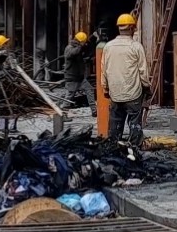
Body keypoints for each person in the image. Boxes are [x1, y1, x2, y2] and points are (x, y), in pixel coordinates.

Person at [101, 13, 150, 146]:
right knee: (134, 123)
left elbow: (104, 70)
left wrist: (105, 88)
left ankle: (113, 146)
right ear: (132, 28)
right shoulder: (136, 47)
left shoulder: (108, 47)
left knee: (115, 123)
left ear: (119, 28)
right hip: (133, 94)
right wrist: (146, 87)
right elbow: (143, 72)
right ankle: (134, 148)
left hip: (115, 93)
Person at [63, 31, 98, 117]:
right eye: (83, 42)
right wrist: (81, 47)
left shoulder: (79, 47)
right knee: (69, 97)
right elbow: (73, 53)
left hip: (80, 78)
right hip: (72, 78)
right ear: (80, 42)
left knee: (89, 90)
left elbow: (84, 49)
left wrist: (92, 38)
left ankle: (94, 111)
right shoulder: (69, 48)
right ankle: (63, 115)